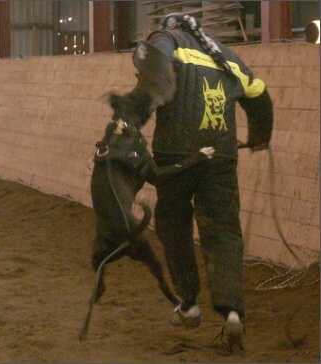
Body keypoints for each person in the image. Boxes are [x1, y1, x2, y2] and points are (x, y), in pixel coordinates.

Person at [113, 13, 273, 351]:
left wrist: (131, 122)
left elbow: (152, 66)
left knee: (173, 224)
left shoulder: (166, 40)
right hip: (222, 154)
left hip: (177, 154)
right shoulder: (226, 55)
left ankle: (189, 304)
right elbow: (259, 95)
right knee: (223, 231)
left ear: (173, 27)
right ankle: (232, 314)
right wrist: (260, 136)